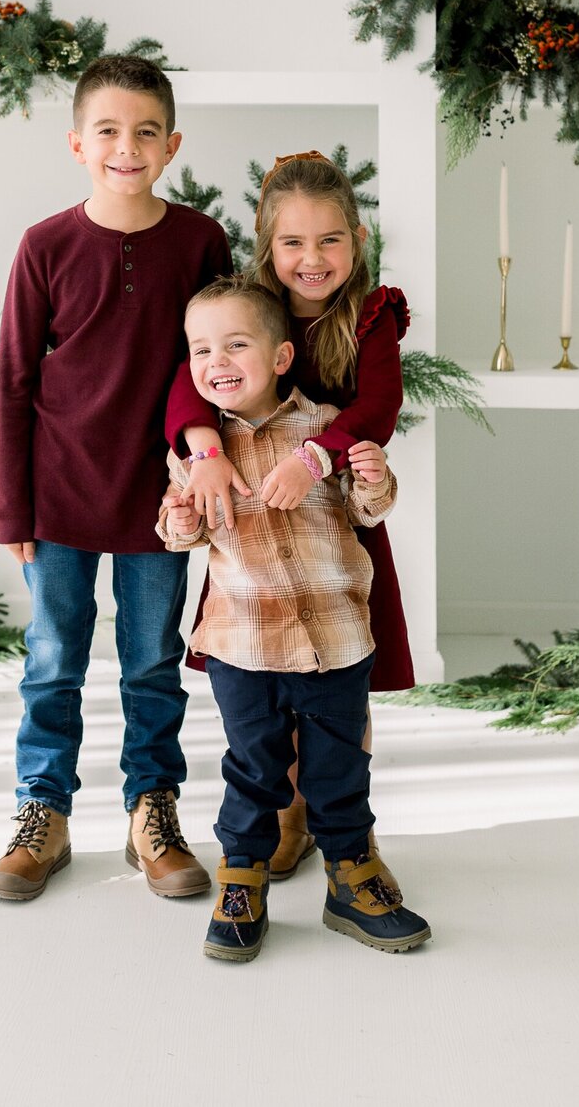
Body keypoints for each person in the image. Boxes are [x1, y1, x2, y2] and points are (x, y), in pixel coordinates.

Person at [0, 54, 230, 904]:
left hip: (159, 500)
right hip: (57, 495)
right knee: (52, 660)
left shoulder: (200, 242)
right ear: (79, 143)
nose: (128, 147)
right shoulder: (44, 245)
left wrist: (204, 465)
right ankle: (40, 814)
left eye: (146, 132)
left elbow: (214, 366)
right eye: (110, 132)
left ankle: (150, 813)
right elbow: (14, 379)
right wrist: (11, 499)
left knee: (152, 662)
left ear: (172, 146)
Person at [160, 274, 431, 962]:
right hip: (242, 645)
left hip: (335, 638)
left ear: (282, 358)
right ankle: (242, 880)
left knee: (339, 768)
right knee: (254, 769)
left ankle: (351, 876)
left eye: (236, 345)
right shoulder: (200, 452)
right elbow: (180, 534)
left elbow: (367, 514)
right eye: (201, 352)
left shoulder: (325, 432)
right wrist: (182, 514)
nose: (216, 363)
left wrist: (373, 480)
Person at [166, 151, 414, 881]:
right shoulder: (240, 313)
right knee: (267, 672)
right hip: (251, 536)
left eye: (329, 240)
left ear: (358, 240)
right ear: (266, 245)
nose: (312, 259)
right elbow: (185, 379)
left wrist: (317, 460)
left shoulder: (369, 318)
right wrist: (206, 449)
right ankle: (286, 814)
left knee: (342, 675)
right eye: (293, 242)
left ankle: (348, 833)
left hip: (335, 527)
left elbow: (377, 407)